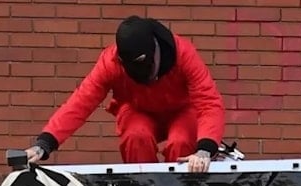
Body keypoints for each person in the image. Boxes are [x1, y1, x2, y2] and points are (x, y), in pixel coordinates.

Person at [23, 16, 226, 172]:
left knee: (180, 141)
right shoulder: (110, 63)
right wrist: (44, 144)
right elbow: (81, 102)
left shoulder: (184, 54)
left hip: (181, 110)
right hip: (138, 109)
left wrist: (205, 150)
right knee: (136, 136)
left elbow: (209, 102)